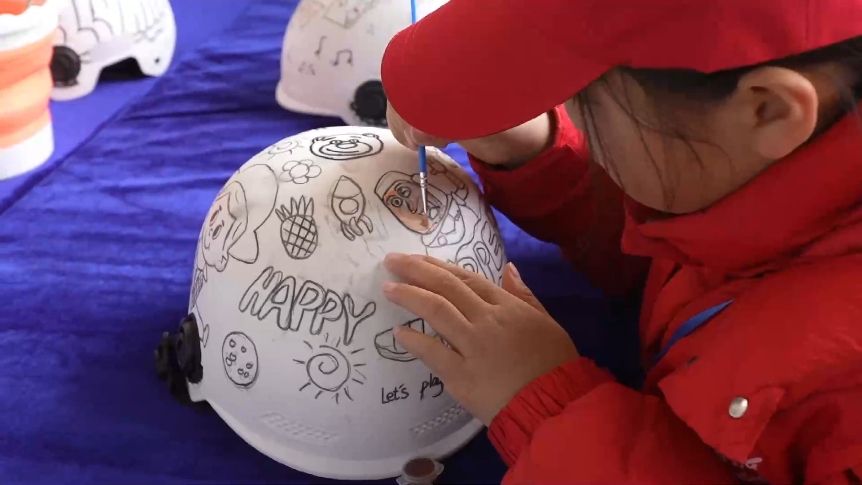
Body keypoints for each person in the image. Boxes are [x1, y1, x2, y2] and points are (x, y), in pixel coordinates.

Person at [376, 1, 862, 483]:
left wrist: (546, 409)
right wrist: (538, 154)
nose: (570, 110)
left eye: (586, 97)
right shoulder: (743, 175)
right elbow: (673, 241)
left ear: (767, 109)